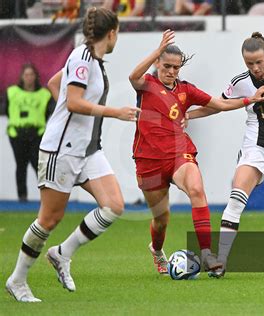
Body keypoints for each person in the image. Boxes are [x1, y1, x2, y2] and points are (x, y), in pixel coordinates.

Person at [5, 7, 140, 303]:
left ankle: (62, 254)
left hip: (87, 150)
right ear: (112, 33)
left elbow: (56, 86)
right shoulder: (82, 58)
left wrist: (69, 112)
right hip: (62, 150)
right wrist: (111, 112)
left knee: (114, 205)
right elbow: (75, 101)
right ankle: (17, 280)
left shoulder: (91, 59)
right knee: (49, 219)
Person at [128, 30, 264, 274]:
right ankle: (157, 250)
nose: (171, 71)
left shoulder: (186, 90)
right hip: (148, 159)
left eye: (176, 67)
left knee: (196, 189)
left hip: (179, 153)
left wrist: (250, 100)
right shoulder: (147, 85)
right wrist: (157, 49)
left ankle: (206, 253)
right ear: (157, 64)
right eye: (166, 66)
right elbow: (133, 76)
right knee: (161, 220)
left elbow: (222, 104)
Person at [186, 32, 264, 277]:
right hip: (255, 147)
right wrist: (187, 115)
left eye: (259, 62)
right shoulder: (240, 82)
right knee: (235, 201)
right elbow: (218, 105)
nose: (255, 68)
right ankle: (220, 262)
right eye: (249, 63)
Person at [6, 63, 55, 202]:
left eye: (31, 75)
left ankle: (46, 197)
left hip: (36, 134)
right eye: (26, 75)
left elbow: (48, 113)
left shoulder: (44, 94)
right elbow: (8, 110)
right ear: (22, 76)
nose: (29, 78)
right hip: (17, 133)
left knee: (38, 165)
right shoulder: (13, 92)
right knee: (21, 165)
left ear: (35, 76)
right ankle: (22, 197)